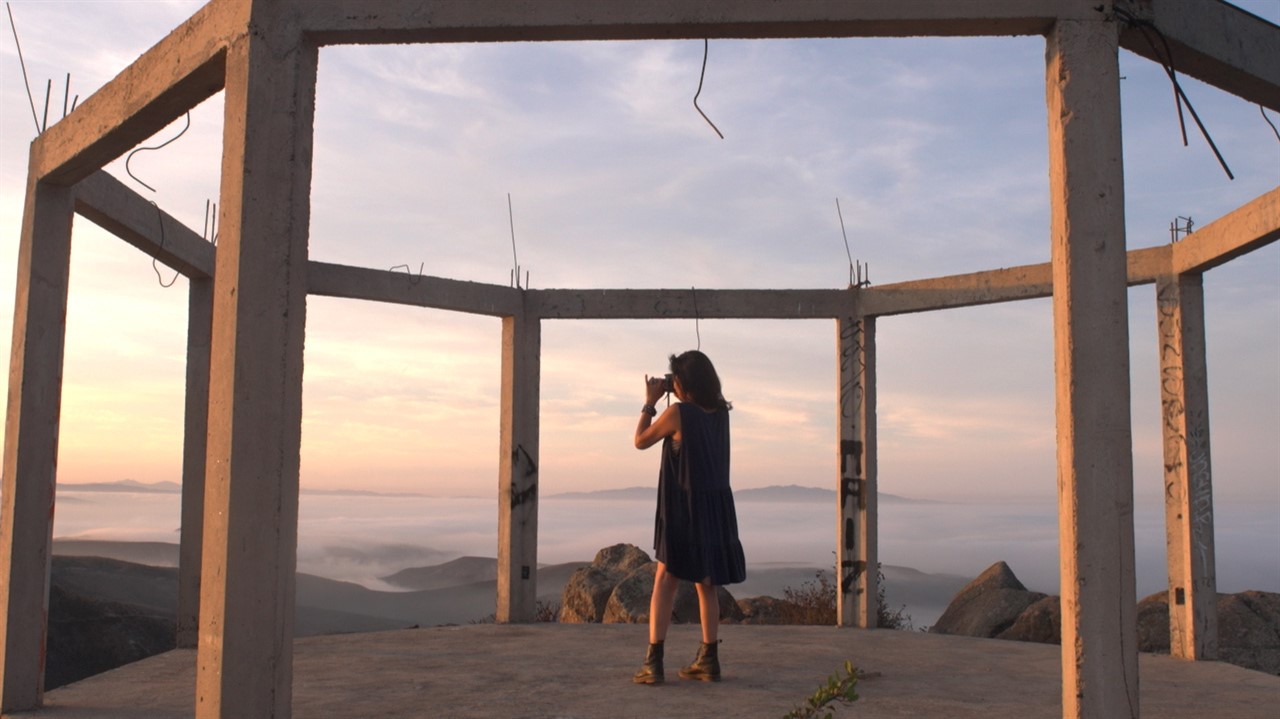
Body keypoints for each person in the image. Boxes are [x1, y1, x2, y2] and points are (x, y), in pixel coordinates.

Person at [631, 350, 746, 685]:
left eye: (675, 377)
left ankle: (653, 662)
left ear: (684, 382)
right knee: (706, 583)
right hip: (715, 506)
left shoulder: (677, 413)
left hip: (683, 505)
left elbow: (640, 441)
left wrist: (650, 402)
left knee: (665, 579)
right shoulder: (721, 413)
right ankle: (709, 660)